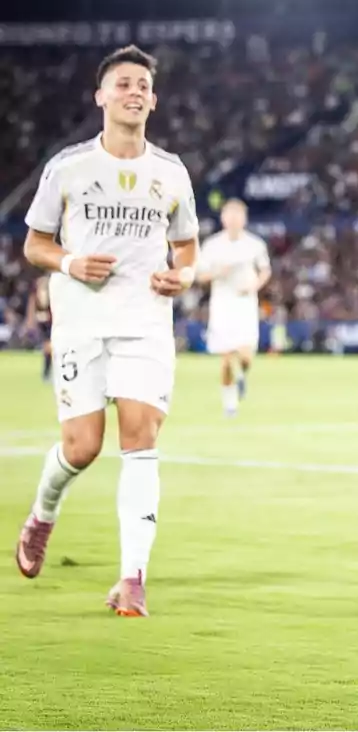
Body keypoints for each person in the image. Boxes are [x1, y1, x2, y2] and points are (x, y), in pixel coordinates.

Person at [14, 45, 199, 617]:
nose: (134, 92)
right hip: (82, 325)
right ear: (101, 96)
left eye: (142, 85)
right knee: (83, 447)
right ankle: (43, 514)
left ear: (154, 100)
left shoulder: (171, 173)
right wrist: (71, 262)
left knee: (140, 438)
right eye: (123, 83)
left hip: (145, 323)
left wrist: (184, 276)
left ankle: (132, 580)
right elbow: (35, 244)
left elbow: (187, 247)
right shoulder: (68, 168)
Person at [196, 199, 271, 417]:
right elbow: (200, 276)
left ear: (244, 219)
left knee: (246, 356)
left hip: (245, 304)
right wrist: (218, 272)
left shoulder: (255, 244)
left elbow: (265, 270)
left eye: (238, 216)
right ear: (223, 219)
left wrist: (253, 286)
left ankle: (242, 375)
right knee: (227, 356)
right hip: (222, 305)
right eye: (230, 216)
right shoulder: (212, 245)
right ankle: (230, 405)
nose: (234, 220)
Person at [24, 274, 53, 382]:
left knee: (50, 348)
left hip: (51, 322)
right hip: (43, 324)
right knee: (47, 347)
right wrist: (31, 321)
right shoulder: (36, 295)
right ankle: (46, 373)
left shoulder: (51, 294)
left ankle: (48, 372)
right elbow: (32, 308)